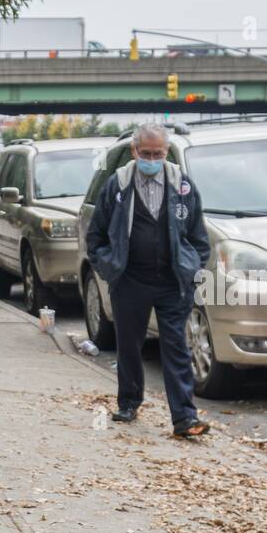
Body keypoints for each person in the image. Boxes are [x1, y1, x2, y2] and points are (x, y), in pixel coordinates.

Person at [85, 123, 212, 438]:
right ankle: (128, 402)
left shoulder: (182, 186)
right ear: (134, 151)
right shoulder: (117, 185)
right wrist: (108, 267)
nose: (152, 159)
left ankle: (184, 417)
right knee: (129, 345)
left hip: (172, 282)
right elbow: (96, 235)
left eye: (158, 153)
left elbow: (198, 236)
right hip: (130, 280)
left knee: (176, 347)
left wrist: (191, 267)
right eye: (146, 153)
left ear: (166, 152)